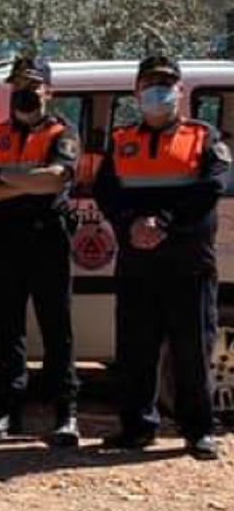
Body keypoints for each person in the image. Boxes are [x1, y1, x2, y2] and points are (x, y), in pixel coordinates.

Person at [95, 55, 229, 460]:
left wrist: (162, 222)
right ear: (136, 93)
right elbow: (107, 191)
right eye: (150, 84)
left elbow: (211, 188)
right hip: (138, 263)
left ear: (181, 91)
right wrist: (131, 223)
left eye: (166, 84)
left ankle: (198, 430)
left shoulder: (204, 137)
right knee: (136, 349)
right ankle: (137, 427)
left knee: (191, 350)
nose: (159, 91)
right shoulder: (121, 140)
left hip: (188, 263)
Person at [0, 57, 82, 446]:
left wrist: (0, 179)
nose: (24, 93)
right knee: (8, 330)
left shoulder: (63, 132)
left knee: (56, 330)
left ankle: (65, 414)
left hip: (47, 239)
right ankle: (8, 411)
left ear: (49, 91)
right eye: (17, 86)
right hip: (3, 241)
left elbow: (54, 181)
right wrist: (23, 182)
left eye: (32, 86)